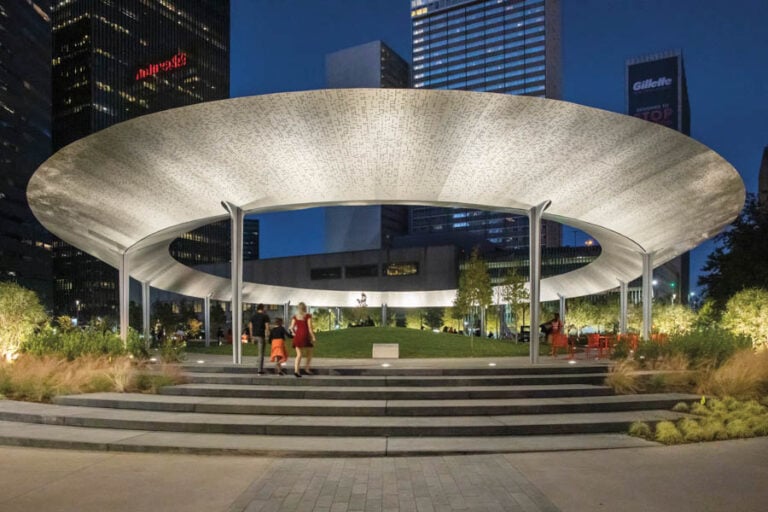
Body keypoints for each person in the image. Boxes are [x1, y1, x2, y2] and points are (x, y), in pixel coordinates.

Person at [290, 302, 316, 378]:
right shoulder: (307, 316)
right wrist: (313, 337)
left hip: (297, 336)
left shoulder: (295, 316)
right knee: (310, 352)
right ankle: (307, 368)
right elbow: (310, 328)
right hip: (305, 336)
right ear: (305, 308)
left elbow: (291, 327)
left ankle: (296, 371)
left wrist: (294, 333)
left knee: (299, 355)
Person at [249, 303, 270, 375]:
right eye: (265, 308)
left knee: (259, 353)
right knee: (261, 353)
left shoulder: (253, 316)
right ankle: (259, 370)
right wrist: (267, 336)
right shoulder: (265, 316)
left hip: (254, 335)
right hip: (261, 336)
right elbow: (267, 327)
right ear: (262, 308)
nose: (265, 309)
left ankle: (258, 366)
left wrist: (251, 337)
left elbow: (250, 327)